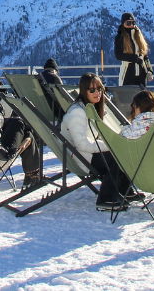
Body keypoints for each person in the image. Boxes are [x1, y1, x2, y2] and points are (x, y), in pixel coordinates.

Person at [63, 73, 135, 211]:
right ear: (84, 91)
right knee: (117, 156)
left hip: (86, 153)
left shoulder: (91, 108)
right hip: (80, 156)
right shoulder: (77, 112)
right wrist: (111, 145)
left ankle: (125, 190)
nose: (97, 93)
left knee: (122, 152)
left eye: (100, 89)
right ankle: (106, 198)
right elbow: (82, 144)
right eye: (92, 90)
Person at [114, 12, 152, 87]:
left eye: (133, 22)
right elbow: (118, 55)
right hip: (128, 71)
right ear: (123, 24)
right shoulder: (120, 37)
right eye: (128, 23)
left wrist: (149, 69)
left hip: (141, 72)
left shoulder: (138, 36)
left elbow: (145, 55)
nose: (131, 25)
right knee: (127, 95)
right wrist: (135, 59)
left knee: (141, 96)